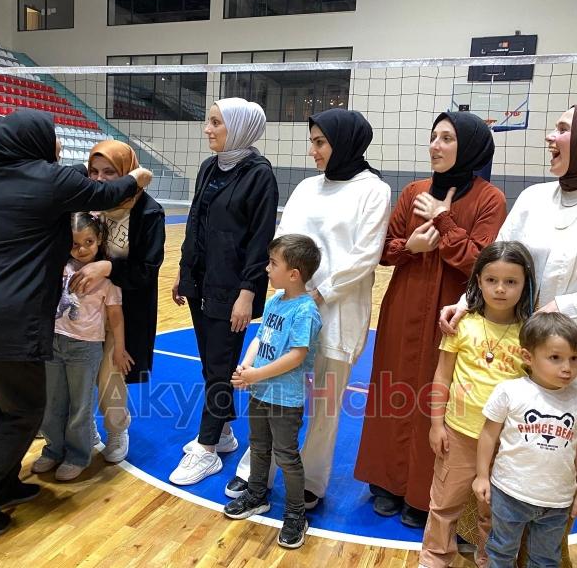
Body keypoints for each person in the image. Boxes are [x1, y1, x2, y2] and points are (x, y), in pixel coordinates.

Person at [0, 110, 152, 537]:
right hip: (5, 319)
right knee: (24, 411)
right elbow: (114, 193)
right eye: (50, 138)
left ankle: (4, 485)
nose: (56, 146)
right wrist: (140, 173)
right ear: (34, 142)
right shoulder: (49, 179)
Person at [440, 102, 577, 564]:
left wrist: (570, 309)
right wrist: (465, 304)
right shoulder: (533, 198)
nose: (549, 136)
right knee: (499, 479)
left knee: (550, 488)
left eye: (562, 128)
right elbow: (497, 263)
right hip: (512, 364)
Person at [225, 107, 391, 509]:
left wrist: (320, 293)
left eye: (320, 142)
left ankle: (312, 481)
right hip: (289, 309)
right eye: (312, 141)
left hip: (338, 313)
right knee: (269, 392)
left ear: (344, 143)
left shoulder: (374, 190)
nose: (313, 150)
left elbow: (365, 255)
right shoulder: (305, 187)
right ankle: (257, 472)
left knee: (324, 406)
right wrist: (290, 293)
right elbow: (283, 240)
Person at [355, 111, 507, 528]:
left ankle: (423, 493)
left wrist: (443, 217)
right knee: (392, 387)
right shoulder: (413, 190)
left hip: (452, 311)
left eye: (446, 138)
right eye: (433, 137)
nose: (434, 146)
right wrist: (413, 247)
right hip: (403, 304)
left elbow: (481, 260)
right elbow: (384, 249)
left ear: (471, 147)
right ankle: (384, 481)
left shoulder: (490, 199)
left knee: (434, 400)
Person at [170, 97, 278, 486]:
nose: (208, 128)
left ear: (239, 126)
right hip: (201, 282)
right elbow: (195, 223)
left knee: (219, 368)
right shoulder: (208, 167)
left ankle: (208, 448)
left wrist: (248, 292)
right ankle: (227, 433)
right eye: (208, 121)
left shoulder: (260, 174)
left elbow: (259, 239)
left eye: (216, 122)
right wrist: (184, 271)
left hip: (233, 289)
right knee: (212, 364)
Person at [419, 241, 536, 568]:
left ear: (525, 284)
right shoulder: (462, 325)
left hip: (506, 442)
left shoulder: (530, 334)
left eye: (511, 282)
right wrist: (436, 424)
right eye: (491, 280)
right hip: (458, 436)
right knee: (443, 505)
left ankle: (492, 561)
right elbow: (442, 377)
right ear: (478, 281)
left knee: (496, 512)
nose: (500, 289)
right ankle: (434, 559)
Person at [69, 139, 166, 464]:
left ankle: (116, 430)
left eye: (109, 172)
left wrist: (107, 267)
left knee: (110, 377)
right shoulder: (85, 205)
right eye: (93, 171)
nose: (99, 179)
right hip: (81, 310)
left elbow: (147, 270)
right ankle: (82, 433)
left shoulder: (148, 211)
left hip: (123, 310)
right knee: (77, 378)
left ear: (129, 171)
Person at [472, 313, 577, 567]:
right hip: (509, 493)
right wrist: (482, 475)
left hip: (558, 501)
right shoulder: (510, 391)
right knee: (501, 553)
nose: (567, 367)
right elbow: (488, 435)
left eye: (574, 358)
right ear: (528, 357)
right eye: (555, 358)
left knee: (545, 559)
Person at [225, 234, 322, 549]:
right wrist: (246, 366)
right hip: (260, 390)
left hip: (284, 398)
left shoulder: (305, 311)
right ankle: (256, 495)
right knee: (258, 446)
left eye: (272, 264)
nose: (267, 269)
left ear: (293, 274)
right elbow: (259, 337)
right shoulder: (274, 301)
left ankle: (295, 515)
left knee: (286, 456)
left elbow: (295, 356)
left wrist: (255, 375)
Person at [31, 213, 127, 481]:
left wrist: (119, 348)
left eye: (89, 241)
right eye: (75, 244)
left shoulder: (108, 279)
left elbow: (116, 317)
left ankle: (77, 455)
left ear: (99, 241)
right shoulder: (59, 267)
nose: (82, 249)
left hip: (85, 349)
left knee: (80, 406)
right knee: (53, 402)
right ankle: (53, 449)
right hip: (54, 342)